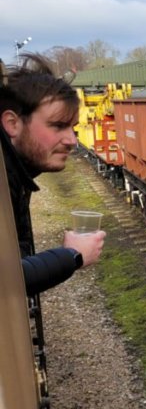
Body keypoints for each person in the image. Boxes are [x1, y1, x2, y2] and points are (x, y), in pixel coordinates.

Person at [0, 54, 105, 289]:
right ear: (12, 123)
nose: (72, 141)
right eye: (58, 125)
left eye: (73, 128)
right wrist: (72, 255)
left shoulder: (13, 176)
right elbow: (7, 280)